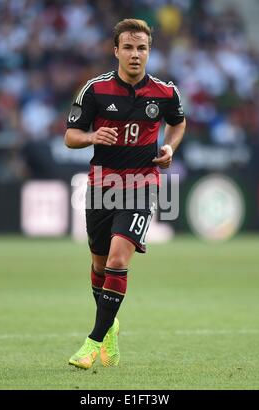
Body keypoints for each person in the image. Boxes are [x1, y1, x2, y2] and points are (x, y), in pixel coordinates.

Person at [65, 18, 186, 369]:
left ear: (150, 51)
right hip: (102, 186)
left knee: (119, 261)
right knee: (100, 266)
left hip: (141, 184)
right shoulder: (94, 90)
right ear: (116, 50)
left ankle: (92, 341)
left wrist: (170, 147)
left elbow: (178, 122)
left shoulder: (165, 93)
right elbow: (70, 135)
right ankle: (111, 325)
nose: (136, 55)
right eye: (129, 48)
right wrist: (91, 137)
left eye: (142, 48)